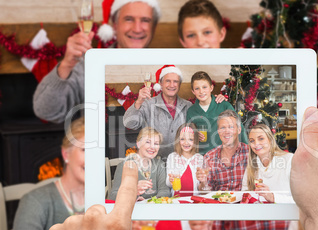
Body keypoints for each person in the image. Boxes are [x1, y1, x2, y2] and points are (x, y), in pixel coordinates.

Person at [45, 107, 318, 230]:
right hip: (172, 216)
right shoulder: (162, 164)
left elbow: (206, 193)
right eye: (148, 143)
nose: (155, 147)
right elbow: (160, 196)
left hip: (207, 215)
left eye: (157, 143)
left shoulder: (225, 159)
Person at [33, 0, 161, 123]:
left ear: (154, 27)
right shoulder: (90, 66)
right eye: (129, 19)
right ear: (115, 25)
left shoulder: (165, 68)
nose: (137, 29)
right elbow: (46, 111)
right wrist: (67, 65)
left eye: (145, 20)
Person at [4, 117, 85, 230]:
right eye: (85, 150)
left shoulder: (103, 199)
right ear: (66, 154)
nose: (92, 159)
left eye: (97, 151)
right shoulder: (36, 201)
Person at [186, 71, 248, 155]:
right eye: (197, 88)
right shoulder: (191, 111)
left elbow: (239, 128)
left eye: (204, 87)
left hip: (224, 155)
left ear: (211, 88)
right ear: (193, 91)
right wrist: (194, 133)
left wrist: (247, 151)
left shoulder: (224, 106)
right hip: (201, 156)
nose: (201, 91)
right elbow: (188, 133)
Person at [108, 127, 170, 200]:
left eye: (156, 143)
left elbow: (165, 191)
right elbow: (112, 196)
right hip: (132, 209)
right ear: (138, 144)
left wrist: (153, 202)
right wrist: (133, 192)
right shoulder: (125, 165)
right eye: (148, 142)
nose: (152, 147)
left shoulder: (160, 165)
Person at [241, 124, 294, 203]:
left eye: (261, 139)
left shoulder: (289, 160)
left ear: (270, 140)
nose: (256, 144)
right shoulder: (251, 166)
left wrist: (273, 197)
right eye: (252, 140)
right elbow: (244, 194)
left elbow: (303, 199)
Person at [197, 109, 248, 191]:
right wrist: (203, 182)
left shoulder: (249, 153)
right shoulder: (209, 157)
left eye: (231, 127)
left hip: (244, 202)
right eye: (223, 127)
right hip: (219, 202)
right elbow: (204, 193)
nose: (227, 131)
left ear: (239, 130)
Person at [166, 123, 203, 196]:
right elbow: (168, 183)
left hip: (194, 200)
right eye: (182, 139)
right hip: (176, 200)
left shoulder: (200, 158)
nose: (186, 142)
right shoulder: (172, 157)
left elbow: (200, 184)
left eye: (190, 139)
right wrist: (170, 180)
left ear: (195, 141)